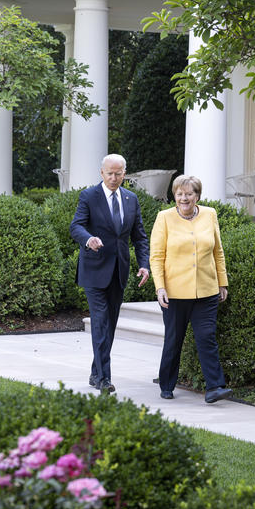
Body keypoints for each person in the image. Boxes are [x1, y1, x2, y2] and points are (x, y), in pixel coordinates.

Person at [70, 154, 150, 393]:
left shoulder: (131, 199)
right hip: (94, 269)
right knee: (100, 321)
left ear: (124, 174)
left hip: (119, 271)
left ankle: (96, 372)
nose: (114, 178)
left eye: (118, 174)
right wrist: (88, 239)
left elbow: (139, 236)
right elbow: (76, 226)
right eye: (109, 173)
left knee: (110, 324)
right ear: (101, 173)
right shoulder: (89, 196)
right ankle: (104, 378)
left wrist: (144, 264)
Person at [150, 175, 233, 403]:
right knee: (174, 340)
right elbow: (156, 257)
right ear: (174, 196)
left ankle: (215, 387)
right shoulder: (164, 218)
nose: (184, 198)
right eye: (180, 194)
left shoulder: (209, 214)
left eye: (189, 194)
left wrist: (222, 282)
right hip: (174, 293)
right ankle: (167, 384)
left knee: (206, 337)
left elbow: (218, 251)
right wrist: (160, 288)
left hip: (206, 291)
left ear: (197, 196)